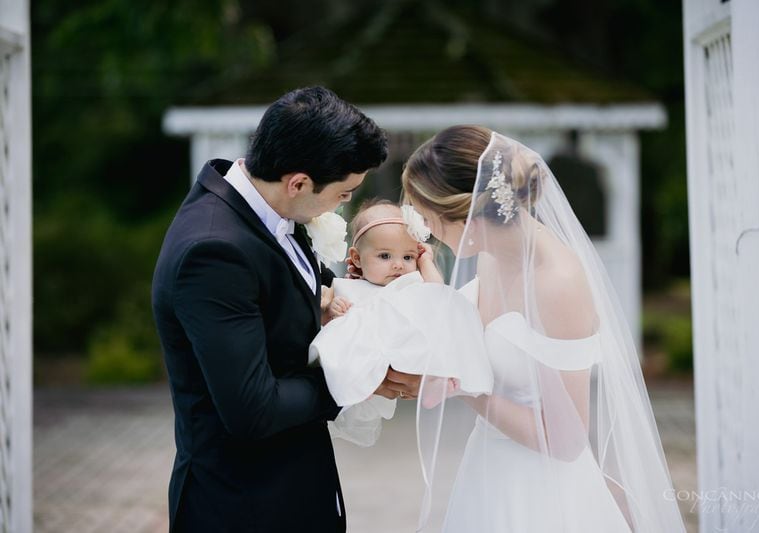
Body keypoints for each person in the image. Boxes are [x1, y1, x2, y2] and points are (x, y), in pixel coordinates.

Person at [151, 86, 421, 533]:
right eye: (344, 193)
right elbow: (253, 410)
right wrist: (360, 377)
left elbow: (295, 289)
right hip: (244, 506)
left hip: (297, 487)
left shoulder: (267, 208)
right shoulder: (213, 251)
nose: (345, 203)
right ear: (298, 182)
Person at [402, 126, 686, 532]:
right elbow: (457, 325)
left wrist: (464, 386)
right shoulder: (491, 256)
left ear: (466, 215)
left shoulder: (557, 282)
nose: (427, 231)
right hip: (487, 469)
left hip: (544, 492)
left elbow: (567, 440)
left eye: (429, 218)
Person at [311, 200, 493, 446]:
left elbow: (438, 295)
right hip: (370, 353)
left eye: (408, 256)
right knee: (341, 342)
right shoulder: (349, 286)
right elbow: (327, 318)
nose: (398, 265)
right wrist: (334, 309)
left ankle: (438, 378)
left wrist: (426, 261)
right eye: (384, 256)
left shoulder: (411, 284)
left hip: (407, 350)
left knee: (445, 320)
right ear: (357, 258)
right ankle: (359, 384)